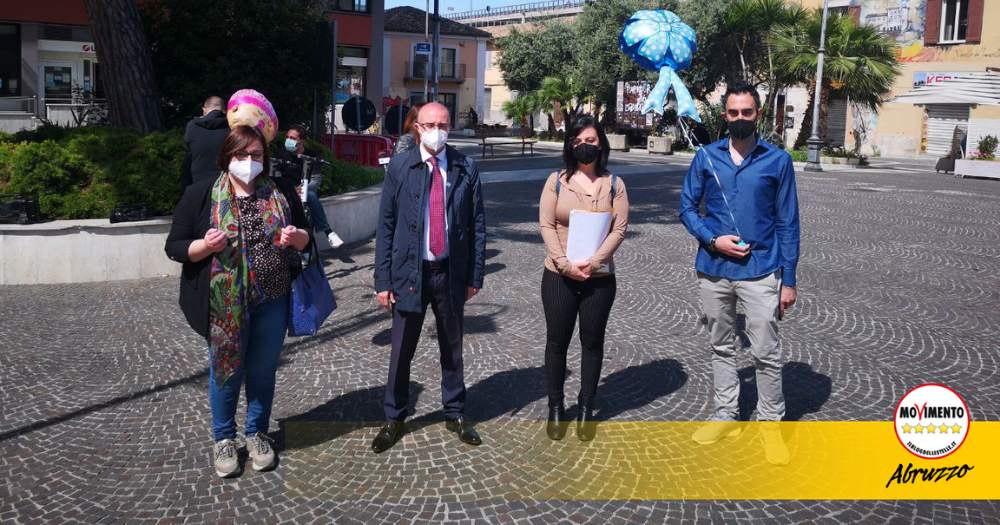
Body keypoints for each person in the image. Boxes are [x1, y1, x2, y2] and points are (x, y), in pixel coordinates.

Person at [165, 125, 313, 478]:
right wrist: (205, 247)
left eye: (256, 155)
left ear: (265, 157)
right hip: (224, 305)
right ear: (227, 157)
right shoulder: (201, 194)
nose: (248, 161)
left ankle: (257, 434)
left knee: (262, 371)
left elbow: (308, 240)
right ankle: (223, 439)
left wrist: (296, 238)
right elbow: (174, 246)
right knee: (226, 372)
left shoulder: (281, 194)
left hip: (273, 300)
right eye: (240, 155)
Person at [678, 81, 800, 466]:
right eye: (733, 113)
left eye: (747, 112)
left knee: (765, 350)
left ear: (758, 114)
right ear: (724, 115)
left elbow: (788, 223)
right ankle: (727, 414)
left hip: (761, 270)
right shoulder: (706, 157)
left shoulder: (777, 161)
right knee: (721, 345)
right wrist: (714, 241)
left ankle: (770, 426)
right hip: (714, 269)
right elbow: (686, 208)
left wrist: (790, 280)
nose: (740, 119)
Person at [371, 102, 486, 453]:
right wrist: (382, 280)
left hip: (449, 272)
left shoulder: (465, 167)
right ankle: (394, 417)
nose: (437, 130)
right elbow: (386, 224)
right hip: (410, 273)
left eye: (443, 124)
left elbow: (477, 224)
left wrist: (475, 275)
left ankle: (455, 412)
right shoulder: (401, 166)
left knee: (452, 349)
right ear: (416, 127)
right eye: (429, 124)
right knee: (401, 351)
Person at [538, 115, 629, 442]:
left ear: (601, 144)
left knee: (592, 343)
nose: (584, 146)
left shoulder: (615, 185)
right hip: (558, 276)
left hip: (600, 278)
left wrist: (594, 262)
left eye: (591, 141)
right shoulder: (556, 181)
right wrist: (564, 264)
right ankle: (556, 406)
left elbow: (619, 229)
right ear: (569, 144)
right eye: (578, 141)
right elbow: (547, 225)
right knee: (557, 342)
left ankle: (587, 405)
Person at [272, 124, 344, 248]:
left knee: (310, 195)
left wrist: (304, 188)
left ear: (302, 141)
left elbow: (316, 180)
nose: (289, 140)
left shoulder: (311, 156)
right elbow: (276, 177)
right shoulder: (280, 154)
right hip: (284, 190)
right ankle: (327, 231)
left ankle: (325, 236)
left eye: (293, 138)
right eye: (287, 137)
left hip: (304, 190)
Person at [184, 95, 231, 185]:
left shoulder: (192, 126)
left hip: (199, 182)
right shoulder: (232, 127)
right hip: (225, 182)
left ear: (204, 110)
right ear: (225, 111)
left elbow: (189, 145)